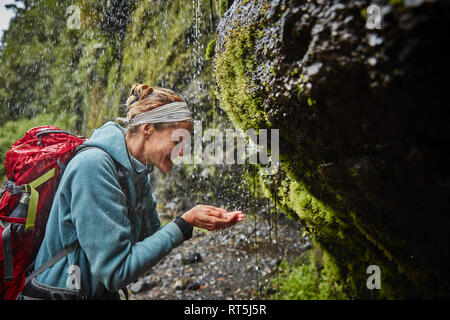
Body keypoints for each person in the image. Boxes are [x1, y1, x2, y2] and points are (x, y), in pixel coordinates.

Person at [19, 84, 245, 300]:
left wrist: (193, 221)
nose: (183, 151)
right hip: (58, 294)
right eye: (177, 140)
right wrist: (184, 222)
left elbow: (149, 244)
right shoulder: (93, 166)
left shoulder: (137, 174)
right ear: (148, 128)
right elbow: (117, 271)